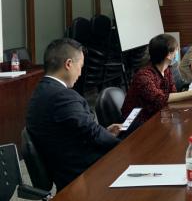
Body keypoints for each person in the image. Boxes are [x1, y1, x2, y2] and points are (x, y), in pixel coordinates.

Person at [26, 38, 122, 190]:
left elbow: (77, 129)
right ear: (69, 64)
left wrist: (105, 132)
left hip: (66, 170)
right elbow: (92, 132)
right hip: (83, 177)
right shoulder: (62, 97)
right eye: (80, 66)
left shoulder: (41, 91)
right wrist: (124, 145)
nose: (80, 73)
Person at [121, 34, 192, 125]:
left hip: (155, 115)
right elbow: (160, 99)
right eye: (176, 49)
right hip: (134, 121)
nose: (177, 52)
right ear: (168, 55)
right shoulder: (144, 76)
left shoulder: (166, 70)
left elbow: (173, 93)